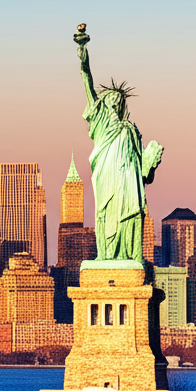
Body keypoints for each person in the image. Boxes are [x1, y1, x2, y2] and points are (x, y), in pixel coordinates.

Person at [75, 25, 163, 262]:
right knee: (107, 212)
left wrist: (152, 161)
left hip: (129, 179)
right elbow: (87, 81)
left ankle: (133, 257)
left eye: (118, 98)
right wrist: (83, 52)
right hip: (107, 175)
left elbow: (146, 175)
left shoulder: (132, 129)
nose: (114, 100)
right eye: (110, 97)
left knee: (133, 213)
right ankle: (106, 256)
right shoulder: (101, 121)